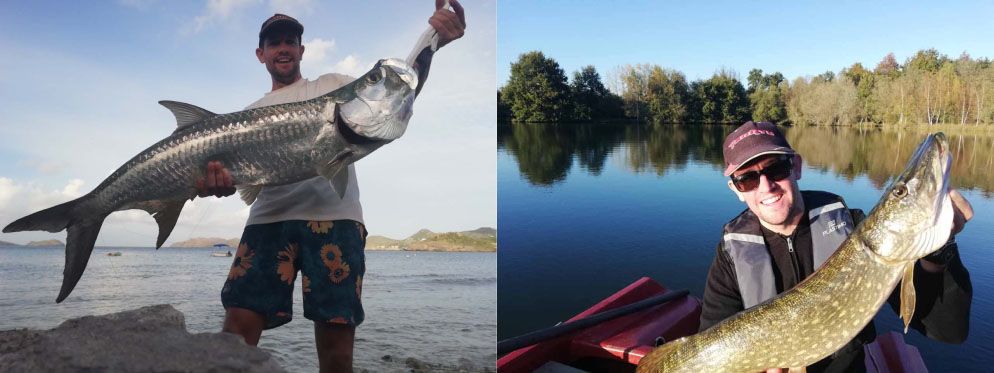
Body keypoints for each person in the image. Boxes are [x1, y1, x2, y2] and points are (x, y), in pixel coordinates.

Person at [195, 2, 465, 372]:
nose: (283, 48)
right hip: (266, 222)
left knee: (337, 348)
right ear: (261, 54)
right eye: (274, 44)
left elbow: (397, 90)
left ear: (302, 50)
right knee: (236, 333)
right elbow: (236, 175)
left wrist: (433, 40)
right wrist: (219, 183)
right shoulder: (250, 114)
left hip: (337, 220)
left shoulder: (335, 87)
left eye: (291, 41)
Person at [701, 121, 973, 372]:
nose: (767, 187)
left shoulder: (853, 229)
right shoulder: (731, 257)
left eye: (776, 169)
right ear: (736, 189)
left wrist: (939, 251)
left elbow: (949, 331)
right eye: (747, 179)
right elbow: (711, 353)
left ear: (796, 166)